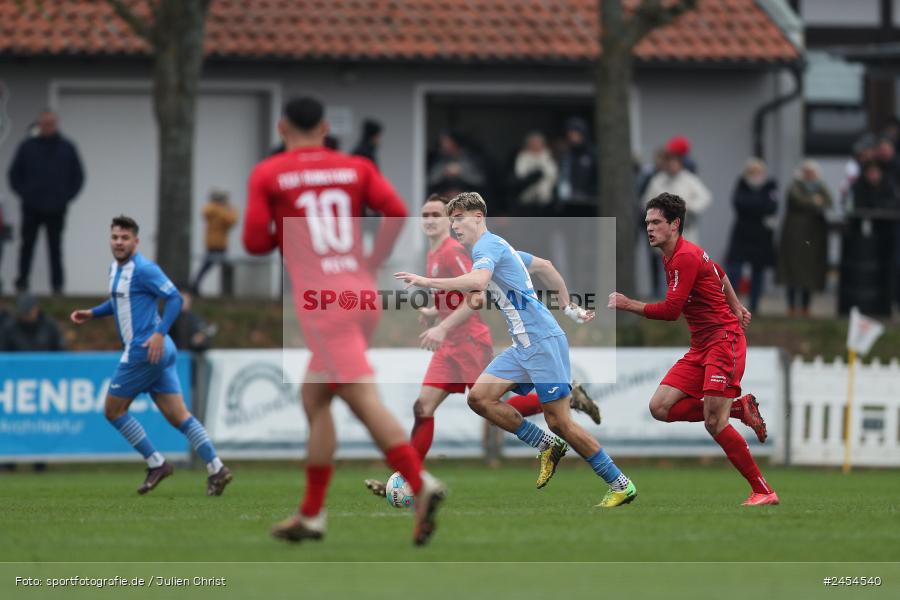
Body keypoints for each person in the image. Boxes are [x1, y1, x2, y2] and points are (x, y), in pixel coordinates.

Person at [242, 96, 446, 546]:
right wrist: (370, 258)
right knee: (315, 399)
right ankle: (311, 515)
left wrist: (289, 229)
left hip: (322, 302)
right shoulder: (355, 167)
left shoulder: (270, 173)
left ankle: (420, 484)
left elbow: (255, 241)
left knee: (361, 400)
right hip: (361, 293)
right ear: (325, 126)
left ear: (282, 127)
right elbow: (395, 211)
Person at [395, 191, 635, 508]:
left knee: (561, 422)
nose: (455, 227)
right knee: (480, 398)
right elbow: (546, 266)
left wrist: (426, 283)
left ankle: (620, 483)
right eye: (452, 221)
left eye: (459, 219)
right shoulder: (501, 248)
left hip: (540, 341)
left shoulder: (487, 246)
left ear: (478, 217)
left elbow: (478, 281)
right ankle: (546, 444)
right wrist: (567, 306)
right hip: (523, 344)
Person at [608, 192, 777, 506]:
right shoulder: (677, 254)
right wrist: (737, 304)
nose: (649, 228)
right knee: (660, 408)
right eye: (647, 222)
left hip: (723, 342)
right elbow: (720, 272)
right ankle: (740, 408)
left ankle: (763, 490)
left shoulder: (684, 256)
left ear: (675, 225)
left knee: (715, 423)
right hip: (702, 346)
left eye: (657, 222)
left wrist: (627, 303)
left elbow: (672, 311)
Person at [70, 216, 232, 496]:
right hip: (159, 350)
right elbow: (121, 300)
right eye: (115, 237)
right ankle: (217, 468)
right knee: (180, 417)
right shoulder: (115, 269)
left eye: (125, 238)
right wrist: (93, 313)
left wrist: (159, 332)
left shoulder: (144, 269)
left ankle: (156, 463)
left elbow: (175, 298)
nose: (119, 242)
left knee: (113, 411)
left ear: (136, 241)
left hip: (144, 350)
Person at [7, 110, 84, 294]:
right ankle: (22, 283)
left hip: (57, 208)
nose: (47, 127)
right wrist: (25, 194)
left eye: (51, 123)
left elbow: (78, 176)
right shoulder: (27, 147)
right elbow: (14, 175)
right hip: (31, 207)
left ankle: (57, 287)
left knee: (55, 247)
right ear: (39, 124)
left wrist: (65, 196)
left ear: (56, 124)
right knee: (27, 246)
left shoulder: (67, 148)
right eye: (44, 123)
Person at [777, 160, 833, 317]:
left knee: (809, 275)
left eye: (812, 173)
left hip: (813, 238)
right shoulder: (795, 186)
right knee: (792, 273)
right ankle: (791, 307)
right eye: (807, 172)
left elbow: (829, 201)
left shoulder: (819, 186)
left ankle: (806, 307)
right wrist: (814, 200)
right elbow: (799, 200)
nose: (810, 176)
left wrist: (818, 195)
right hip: (794, 237)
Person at [725, 158, 778, 314]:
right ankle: (731, 305)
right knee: (734, 269)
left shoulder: (770, 186)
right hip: (741, 233)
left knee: (758, 271)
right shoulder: (741, 184)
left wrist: (753, 206)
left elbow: (772, 207)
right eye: (751, 171)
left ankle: (754, 306)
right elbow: (738, 203)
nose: (754, 175)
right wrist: (758, 205)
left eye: (757, 171)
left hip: (761, 236)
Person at [642, 150, 711, 245]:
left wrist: (690, 207)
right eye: (669, 162)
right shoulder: (658, 181)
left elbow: (705, 197)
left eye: (674, 162)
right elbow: (646, 201)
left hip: (686, 230)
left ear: (680, 163)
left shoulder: (689, 180)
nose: (672, 165)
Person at [191, 189, 239, 295]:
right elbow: (231, 220)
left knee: (209, 266)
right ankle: (195, 287)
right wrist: (227, 208)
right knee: (213, 266)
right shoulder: (217, 210)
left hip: (217, 243)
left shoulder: (215, 209)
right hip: (216, 244)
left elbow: (231, 221)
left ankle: (195, 286)